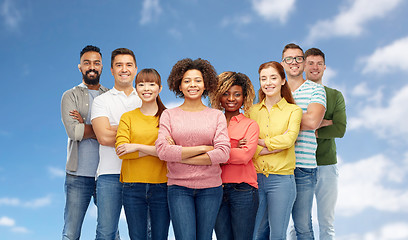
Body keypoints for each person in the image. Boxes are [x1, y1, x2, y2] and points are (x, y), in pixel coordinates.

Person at [155, 58, 231, 240]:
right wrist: (204, 148)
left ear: (205, 84)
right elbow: (163, 150)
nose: (193, 85)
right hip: (179, 188)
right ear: (179, 86)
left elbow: (223, 153)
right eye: (187, 81)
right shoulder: (169, 115)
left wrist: (179, 155)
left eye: (198, 80)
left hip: (211, 188)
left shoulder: (216, 116)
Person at [247, 61, 303, 240]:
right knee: (255, 235)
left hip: (282, 181)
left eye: (273, 78)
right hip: (254, 179)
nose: (268, 82)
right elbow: (245, 144)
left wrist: (260, 142)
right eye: (263, 78)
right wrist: (272, 146)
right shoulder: (251, 111)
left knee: (277, 235)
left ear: (283, 81)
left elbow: (289, 140)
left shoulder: (293, 111)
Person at [91, 48, 142, 240]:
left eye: (128, 65)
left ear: (136, 68)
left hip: (141, 174)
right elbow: (103, 137)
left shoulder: (146, 98)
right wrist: (137, 132)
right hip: (109, 174)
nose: (124, 69)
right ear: (111, 70)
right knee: (106, 233)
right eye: (119, 65)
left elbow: (155, 136)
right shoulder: (101, 101)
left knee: (142, 233)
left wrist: (117, 128)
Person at [61, 45, 109, 240]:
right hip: (77, 176)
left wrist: (86, 125)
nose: (92, 67)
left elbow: (121, 131)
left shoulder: (111, 96)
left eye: (96, 63)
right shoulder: (69, 96)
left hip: (107, 175)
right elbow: (74, 132)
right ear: (79, 67)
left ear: (102, 67)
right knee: (71, 234)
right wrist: (102, 129)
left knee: (111, 233)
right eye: (87, 63)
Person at [115, 68, 170, 240]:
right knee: (137, 237)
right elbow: (122, 151)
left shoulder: (169, 117)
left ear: (159, 88)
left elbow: (171, 153)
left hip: (163, 185)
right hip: (132, 186)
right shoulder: (128, 117)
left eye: (151, 84)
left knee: (159, 237)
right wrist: (157, 150)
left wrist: (137, 147)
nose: (146, 88)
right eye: (141, 84)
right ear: (136, 88)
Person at [281, 43, 326, 240]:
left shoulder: (316, 90)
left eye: (298, 58)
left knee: (302, 226)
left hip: (304, 166)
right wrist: (301, 116)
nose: (294, 62)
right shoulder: (275, 88)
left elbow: (313, 121)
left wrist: (282, 118)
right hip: (277, 166)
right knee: (269, 225)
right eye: (289, 59)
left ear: (304, 62)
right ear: (283, 63)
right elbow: (264, 124)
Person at [210, 71, 260, 240]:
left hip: (244, 190)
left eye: (237, 94)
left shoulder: (250, 125)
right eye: (226, 94)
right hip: (215, 189)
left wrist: (218, 152)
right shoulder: (211, 123)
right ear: (218, 96)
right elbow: (203, 155)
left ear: (244, 97)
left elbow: (245, 156)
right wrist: (233, 147)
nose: (231, 98)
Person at [304, 48, 347, 240]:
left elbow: (339, 129)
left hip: (327, 166)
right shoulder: (295, 94)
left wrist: (311, 125)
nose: (315, 67)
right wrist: (325, 122)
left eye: (319, 63)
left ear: (325, 67)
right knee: (298, 222)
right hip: (300, 165)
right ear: (303, 66)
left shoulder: (335, 95)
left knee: (327, 223)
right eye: (311, 63)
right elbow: (289, 126)